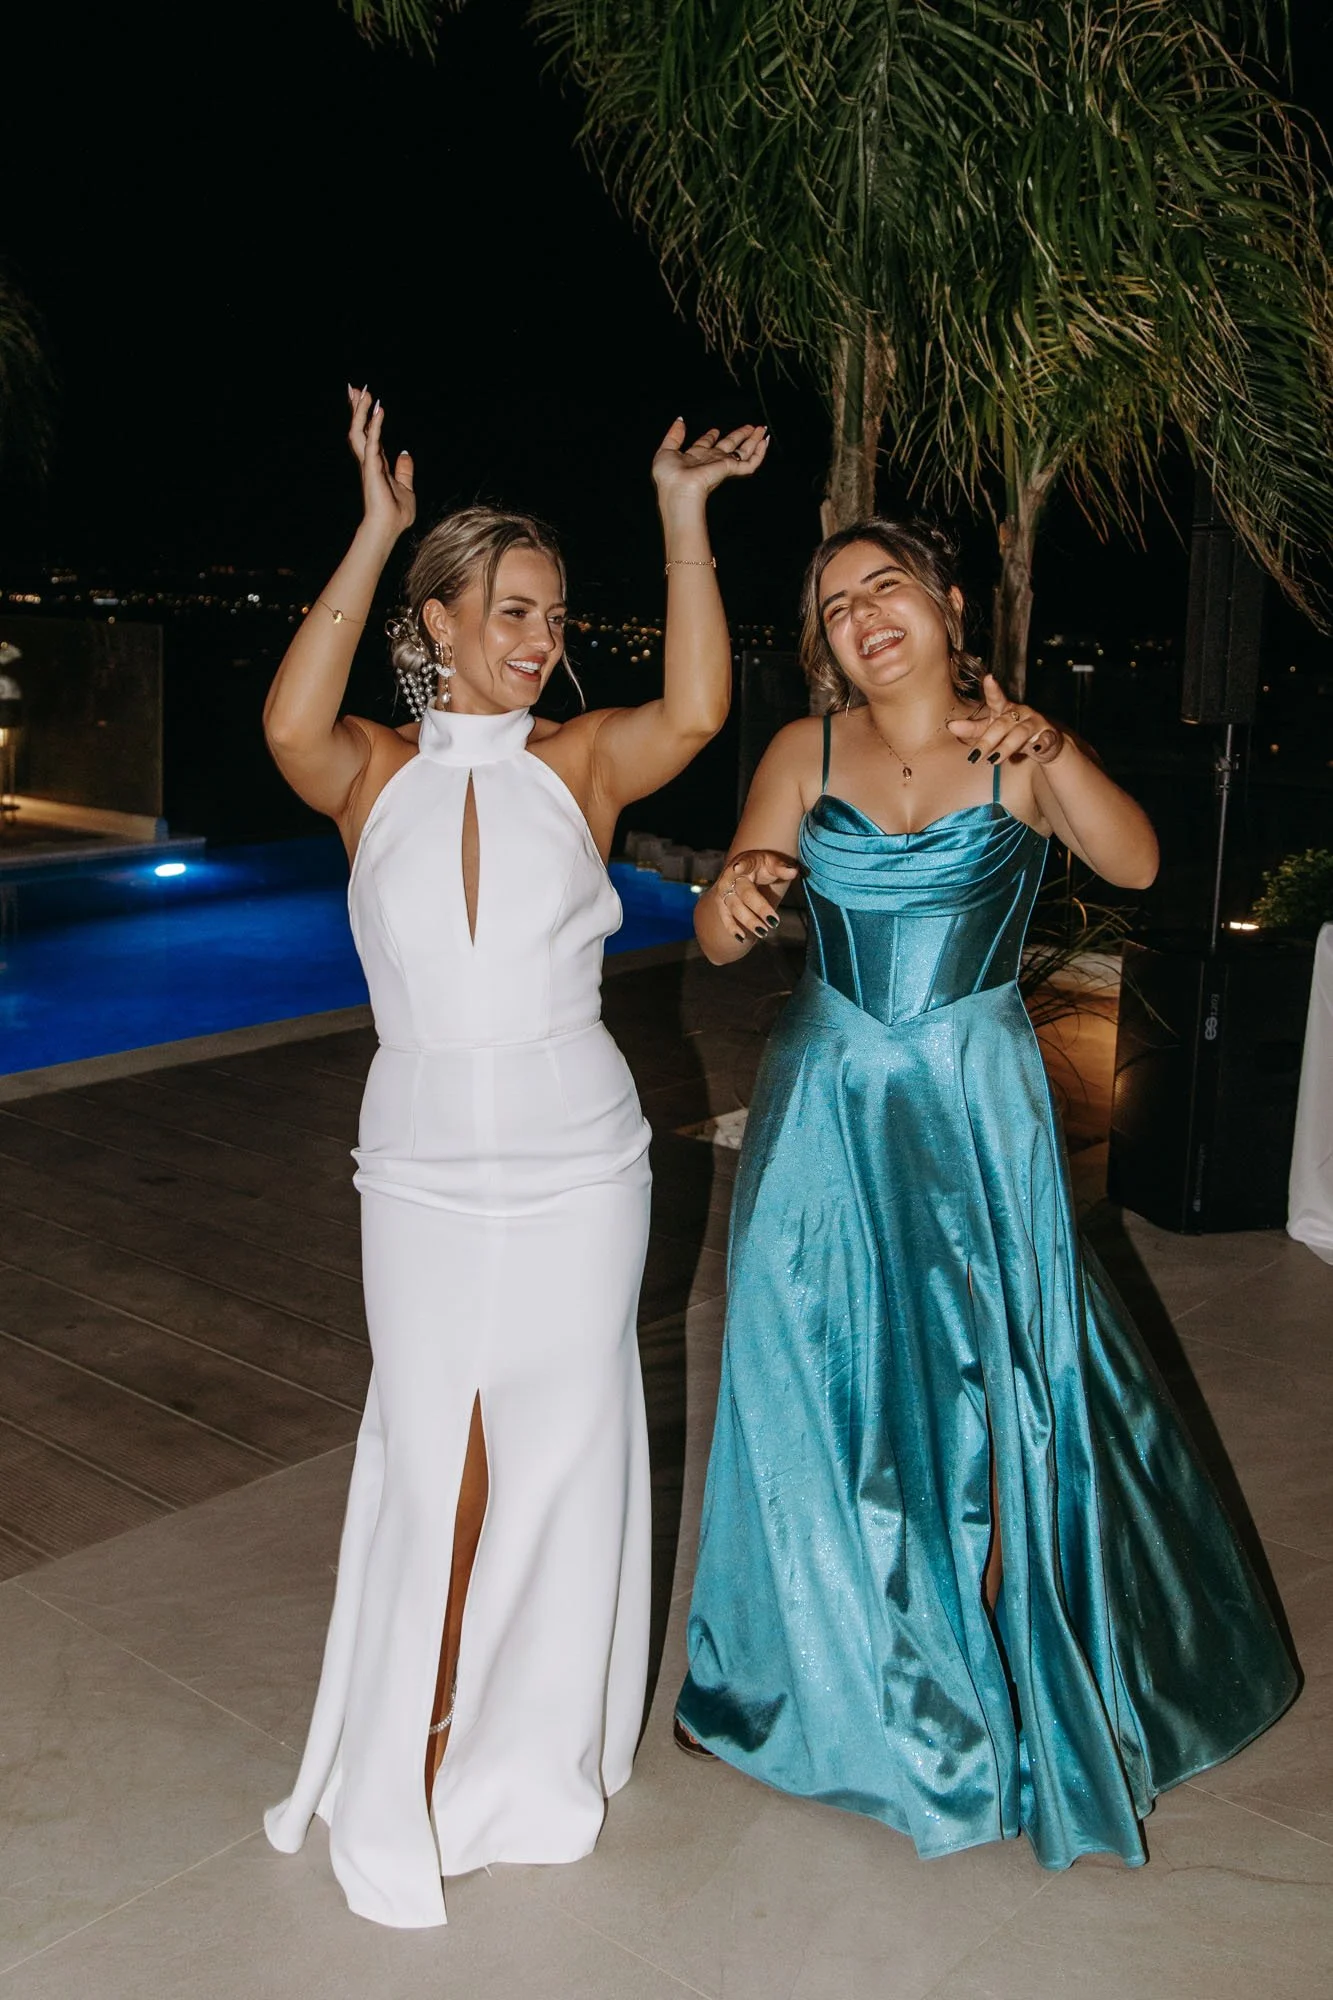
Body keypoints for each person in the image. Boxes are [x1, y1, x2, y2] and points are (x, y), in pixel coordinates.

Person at [675, 520, 1297, 1869]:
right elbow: (729, 928)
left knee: (996, 1387)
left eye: (886, 585)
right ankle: (842, 1691)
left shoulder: (1016, 748)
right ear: (823, 641)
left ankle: (1014, 1670)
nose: (863, 614)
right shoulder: (802, 754)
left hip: (968, 1100)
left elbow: (1136, 866)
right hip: (826, 1106)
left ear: (952, 605)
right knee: (817, 1389)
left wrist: (1057, 751)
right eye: (836, 603)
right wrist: (729, 904)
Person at [262, 390, 768, 1927]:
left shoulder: (581, 765)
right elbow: (284, 719)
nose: (541, 637)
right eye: (514, 610)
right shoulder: (365, 771)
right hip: (417, 1168)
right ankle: (408, 1739)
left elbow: (693, 712)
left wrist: (681, 523)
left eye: (553, 615)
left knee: (558, 1453)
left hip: (582, 1162)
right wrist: (369, 529)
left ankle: (518, 1749)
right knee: (435, 1452)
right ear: (438, 622)